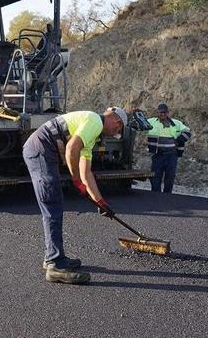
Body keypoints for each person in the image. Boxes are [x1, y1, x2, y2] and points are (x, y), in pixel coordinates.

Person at [22, 107, 128, 285]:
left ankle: (52, 257)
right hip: (41, 149)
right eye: (117, 131)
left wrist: (100, 201)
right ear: (117, 122)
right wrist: (76, 180)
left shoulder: (91, 135)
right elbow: (72, 148)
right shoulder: (94, 120)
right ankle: (55, 265)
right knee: (53, 204)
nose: (113, 134)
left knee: (54, 204)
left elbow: (86, 172)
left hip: (42, 150)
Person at [145, 103, 192, 193]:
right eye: (160, 112)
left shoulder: (176, 123)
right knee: (155, 177)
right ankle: (155, 196)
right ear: (157, 112)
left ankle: (167, 197)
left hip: (171, 155)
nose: (162, 114)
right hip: (157, 155)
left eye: (164, 112)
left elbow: (188, 132)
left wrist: (178, 140)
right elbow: (140, 125)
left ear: (168, 112)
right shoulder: (151, 122)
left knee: (170, 177)